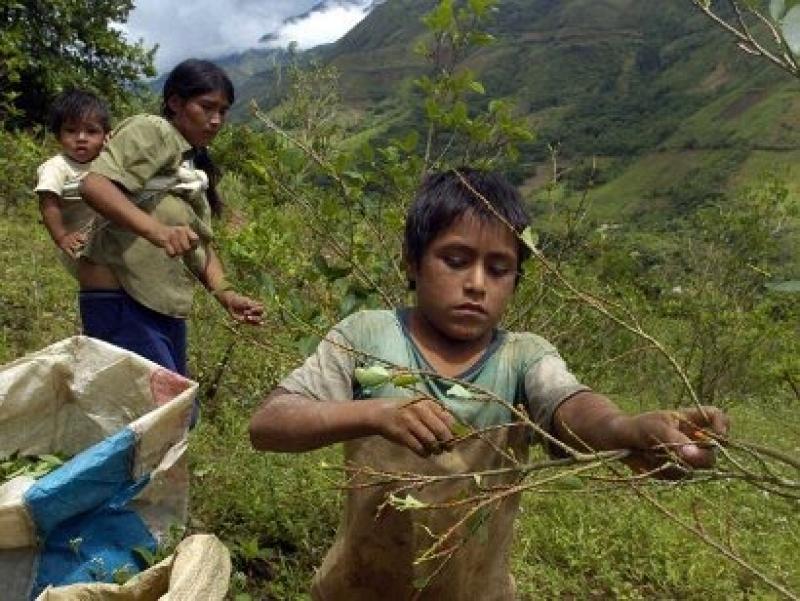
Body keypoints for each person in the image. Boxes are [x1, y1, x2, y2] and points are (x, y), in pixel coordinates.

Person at [248, 168, 730, 601]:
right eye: (455, 260)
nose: (477, 283)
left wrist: (626, 431)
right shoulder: (366, 335)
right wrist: (374, 413)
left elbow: (572, 406)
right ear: (412, 263)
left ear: (516, 279)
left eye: (499, 269)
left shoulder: (523, 357)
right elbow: (269, 424)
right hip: (355, 590)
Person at [78, 58, 263, 385]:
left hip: (157, 305)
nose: (216, 120)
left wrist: (226, 293)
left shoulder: (190, 165)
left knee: (172, 416)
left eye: (223, 110)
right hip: (121, 298)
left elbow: (197, 243)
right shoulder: (154, 130)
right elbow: (95, 185)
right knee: (156, 413)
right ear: (175, 103)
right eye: (206, 107)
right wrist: (158, 232)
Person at [34, 89, 110, 275]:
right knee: (98, 283)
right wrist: (62, 237)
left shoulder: (106, 161)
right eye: (71, 130)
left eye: (92, 131)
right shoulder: (56, 167)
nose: (81, 138)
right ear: (58, 135)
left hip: (106, 237)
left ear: (105, 136)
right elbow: (47, 203)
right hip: (77, 243)